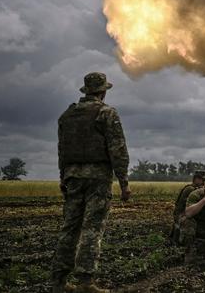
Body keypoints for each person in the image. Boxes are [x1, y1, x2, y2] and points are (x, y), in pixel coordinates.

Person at [51, 72, 131, 293]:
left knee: (69, 228)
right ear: (103, 91)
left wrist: (62, 178)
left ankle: (58, 281)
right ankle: (85, 282)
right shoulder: (106, 113)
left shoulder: (66, 116)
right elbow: (118, 150)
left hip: (72, 177)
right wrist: (124, 182)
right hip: (97, 178)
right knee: (92, 228)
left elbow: (62, 151)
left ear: (86, 91)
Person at [169, 170, 205, 244]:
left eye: (204, 180)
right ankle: (186, 243)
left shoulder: (196, 189)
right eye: (201, 179)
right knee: (190, 223)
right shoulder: (191, 189)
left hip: (188, 212)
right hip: (181, 214)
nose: (203, 182)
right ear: (195, 179)